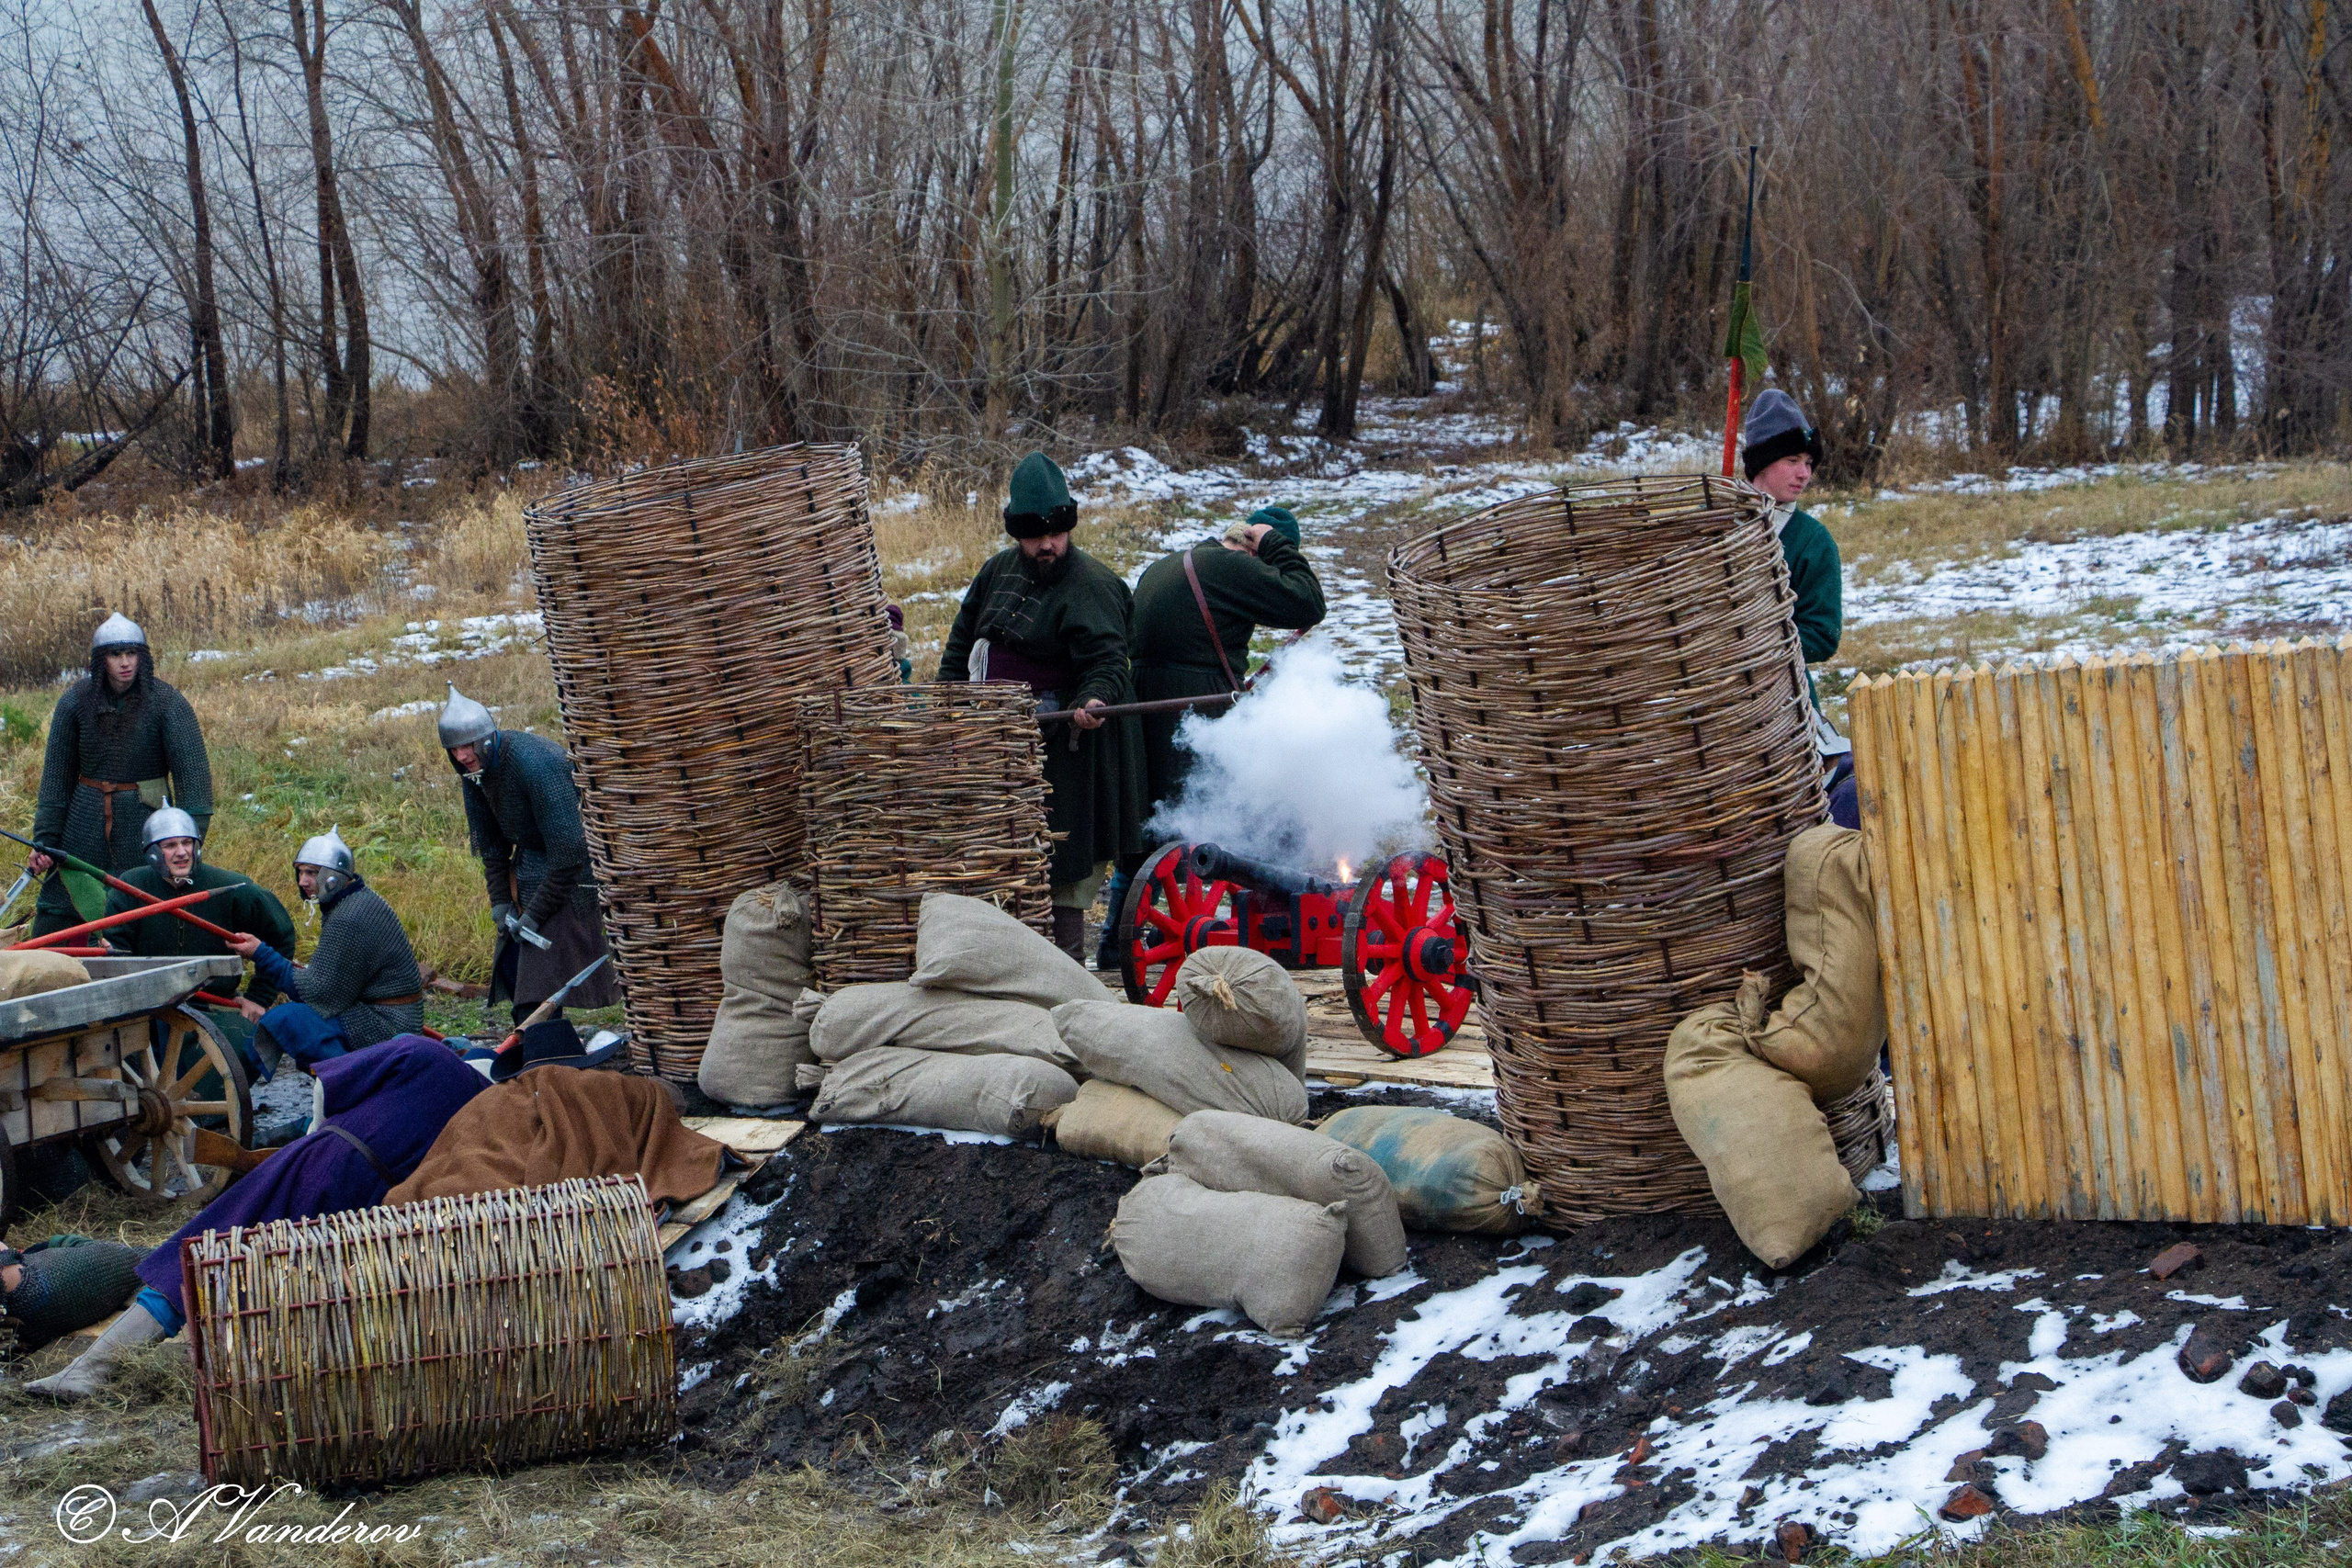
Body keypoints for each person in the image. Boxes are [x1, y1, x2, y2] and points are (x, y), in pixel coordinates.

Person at [24, 1034, 485, 1401]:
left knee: (204, 1252)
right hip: (376, 1202)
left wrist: (313, 1141)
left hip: (323, 1163)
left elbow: (328, 1083)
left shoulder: (423, 1051)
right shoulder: (484, 1107)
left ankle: (90, 1370)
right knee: (287, 1280)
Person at [938, 451, 1146, 962]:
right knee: (1001, 860)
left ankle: (1067, 974)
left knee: (1060, 863)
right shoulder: (995, 573)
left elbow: (1108, 662)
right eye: (1035, 535)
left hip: (1066, 749)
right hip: (994, 746)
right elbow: (959, 648)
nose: (1048, 544)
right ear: (1017, 533)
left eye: (1056, 533)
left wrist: (1093, 700)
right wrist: (946, 710)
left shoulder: (1091, 585)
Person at [1103, 505, 1327, 964]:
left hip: (1147, 704)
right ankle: (1262, 933)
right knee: (1236, 816)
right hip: (1195, 708)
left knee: (1150, 826)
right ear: (1254, 547)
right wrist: (1274, 544)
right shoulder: (1233, 567)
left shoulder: (1167, 565)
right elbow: (1309, 602)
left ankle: (1114, 938)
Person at [438, 684, 620, 1027]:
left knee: (539, 985)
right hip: (529, 869)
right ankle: (545, 1047)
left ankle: (544, 1053)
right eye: (454, 749)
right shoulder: (473, 773)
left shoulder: (536, 765)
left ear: (487, 739)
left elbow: (570, 851)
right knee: (514, 969)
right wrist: (501, 901)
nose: (461, 756)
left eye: (467, 746)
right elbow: (492, 847)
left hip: (574, 873)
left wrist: (536, 913)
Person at [27, 614, 212, 937]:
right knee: (60, 913)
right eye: (115, 655)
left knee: (151, 912)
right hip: (84, 823)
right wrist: (45, 840)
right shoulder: (75, 703)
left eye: (132, 653)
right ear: (102, 660)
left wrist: (187, 845)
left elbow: (194, 787)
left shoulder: (168, 704)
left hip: (147, 821)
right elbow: (56, 784)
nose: (125, 663)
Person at [101, 806, 299, 1075]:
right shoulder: (131, 887)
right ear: (154, 853)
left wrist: (259, 997)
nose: (182, 852)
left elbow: (280, 936)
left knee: (245, 1055)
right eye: (170, 845)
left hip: (213, 1007)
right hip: (146, 1009)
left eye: (187, 843)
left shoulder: (233, 889)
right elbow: (117, 952)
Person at [1741, 389, 1856, 830]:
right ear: (1763, 462)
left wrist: (1756, 643)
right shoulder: (1713, 523)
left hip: (1784, 702)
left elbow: (1823, 635)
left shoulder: (1813, 542)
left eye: (1809, 463)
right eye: (1792, 461)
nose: (1804, 473)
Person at [232, 828, 425, 1069]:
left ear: (334, 877)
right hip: (376, 1010)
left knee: (290, 1019)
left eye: (312, 873)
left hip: (387, 1025)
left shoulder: (349, 916)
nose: (302, 881)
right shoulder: (354, 899)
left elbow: (317, 994)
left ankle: (348, 1080)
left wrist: (261, 954)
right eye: (300, 871)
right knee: (295, 1022)